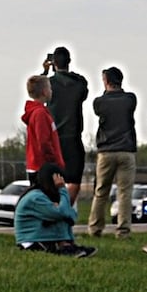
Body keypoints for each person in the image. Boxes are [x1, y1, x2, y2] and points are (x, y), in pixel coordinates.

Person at [87, 66, 137, 238]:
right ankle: (123, 230)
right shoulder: (130, 99)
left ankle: (95, 228)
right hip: (126, 150)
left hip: (106, 151)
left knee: (101, 191)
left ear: (106, 81)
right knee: (125, 193)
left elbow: (99, 108)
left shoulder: (99, 102)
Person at [13, 162, 95, 257]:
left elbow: (73, 216)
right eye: (59, 181)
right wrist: (62, 189)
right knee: (60, 216)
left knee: (62, 217)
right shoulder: (35, 197)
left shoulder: (46, 195)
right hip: (30, 243)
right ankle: (65, 247)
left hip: (42, 238)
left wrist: (62, 209)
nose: (62, 183)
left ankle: (67, 246)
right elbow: (62, 213)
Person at [43, 46, 89, 203]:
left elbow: (37, 92)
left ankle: (54, 208)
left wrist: (45, 72)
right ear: (69, 61)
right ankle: (66, 208)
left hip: (53, 138)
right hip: (73, 137)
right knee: (75, 179)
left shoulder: (49, 84)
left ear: (53, 62)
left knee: (51, 178)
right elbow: (84, 89)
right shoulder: (78, 84)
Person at [22, 74, 64, 180]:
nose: (51, 90)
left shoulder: (38, 112)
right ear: (44, 92)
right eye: (49, 88)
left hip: (39, 167)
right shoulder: (40, 114)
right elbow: (44, 141)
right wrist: (54, 163)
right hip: (43, 168)